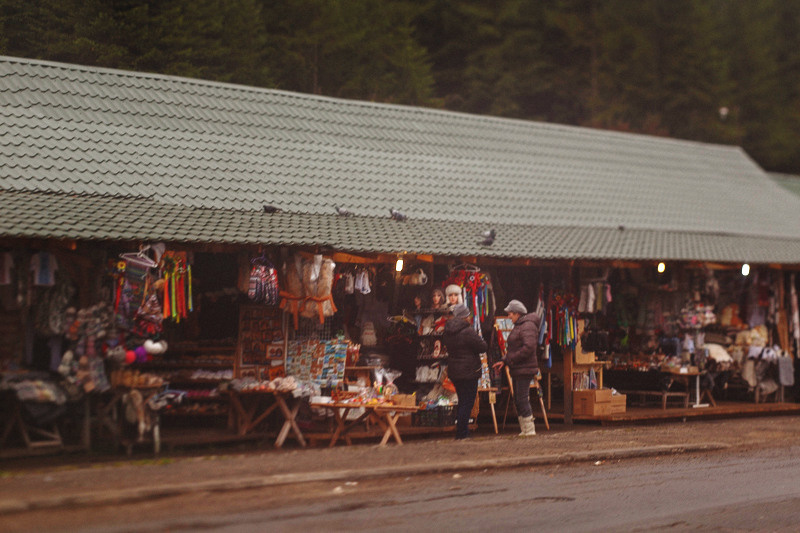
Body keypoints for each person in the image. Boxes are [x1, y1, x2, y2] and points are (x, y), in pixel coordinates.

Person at [492, 299, 540, 436]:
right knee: (519, 399)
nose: (509, 317)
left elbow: (528, 347)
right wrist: (504, 360)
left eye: (510, 314)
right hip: (519, 368)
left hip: (524, 368)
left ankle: (529, 430)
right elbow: (516, 348)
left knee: (522, 398)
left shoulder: (527, 326)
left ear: (517, 313)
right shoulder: (520, 325)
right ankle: (525, 429)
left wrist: (510, 359)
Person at [442, 303, 487, 440]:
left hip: (455, 371)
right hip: (468, 371)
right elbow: (483, 346)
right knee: (467, 402)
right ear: (465, 316)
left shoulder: (448, 330)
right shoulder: (468, 331)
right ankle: (462, 433)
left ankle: (461, 431)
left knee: (462, 401)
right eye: (468, 315)